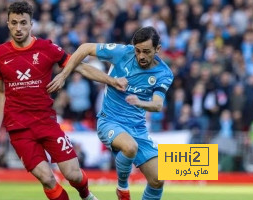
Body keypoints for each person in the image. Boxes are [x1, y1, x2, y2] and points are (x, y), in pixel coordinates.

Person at [0, 1, 126, 200]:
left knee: (73, 174)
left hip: (46, 122)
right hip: (19, 128)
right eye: (14, 23)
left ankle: (86, 195)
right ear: (8, 24)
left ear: (31, 24)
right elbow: (0, 92)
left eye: (23, 23)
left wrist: (111, 81)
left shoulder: (46, 48)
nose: (19, 28)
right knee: (47, 179)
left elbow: (79, 66)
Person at [48, 26, 174, 200]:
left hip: (138, 129)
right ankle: (123, 188)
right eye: (138, 51)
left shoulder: (164, 73)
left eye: (146, 51)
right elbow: (85, 48)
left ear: (157, 49)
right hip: (109, 121)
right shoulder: (123, 53)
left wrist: (140, 102)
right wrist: (63, 75)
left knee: (158, 179)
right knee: (130, 147)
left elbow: (158, 105)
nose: (141, 56)